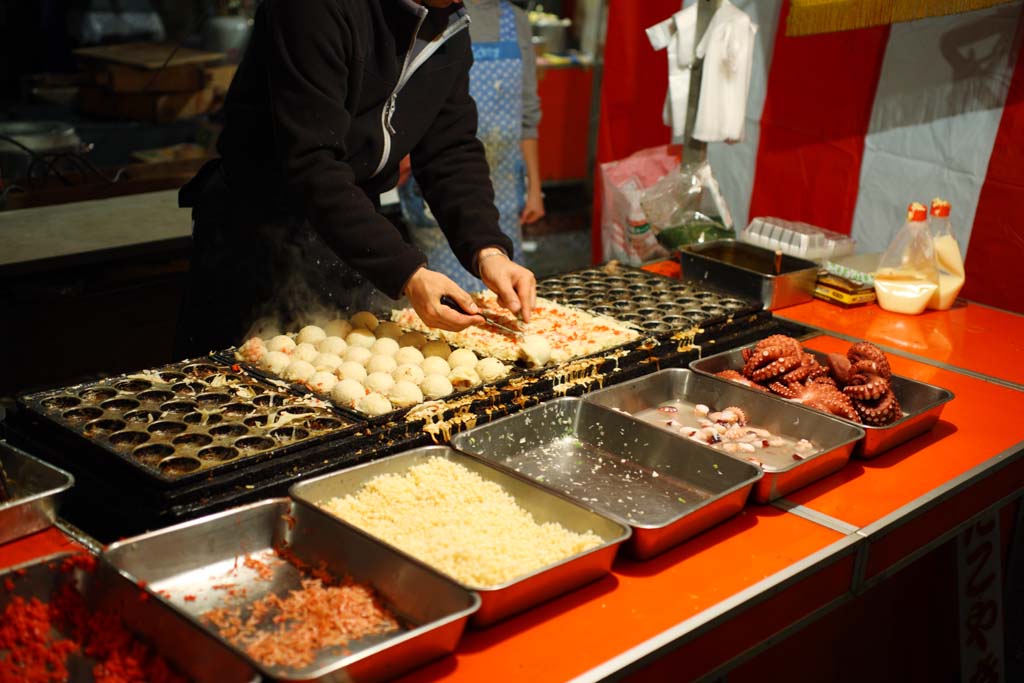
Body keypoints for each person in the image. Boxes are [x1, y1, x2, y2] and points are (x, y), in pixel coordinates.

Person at [176, 0, 537, 357]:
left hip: (351, 226)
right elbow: (312, 162)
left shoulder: (449, 23)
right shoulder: (314, 9)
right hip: (257, 232)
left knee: (343, 382)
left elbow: (450, 149)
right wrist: (408, 272)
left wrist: (487, 249)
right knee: (241, 384)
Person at [398, 0, 545, 292]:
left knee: (499, 279)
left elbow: (528, 113)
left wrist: (535, 188)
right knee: (442, 292)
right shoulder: (427, 13)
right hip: (436, 176)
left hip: (497, 180)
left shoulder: (514, 20)